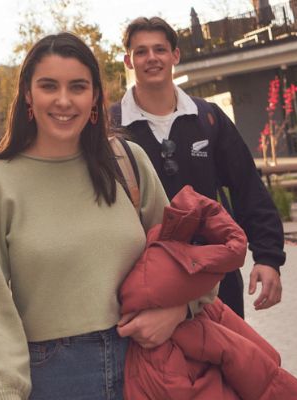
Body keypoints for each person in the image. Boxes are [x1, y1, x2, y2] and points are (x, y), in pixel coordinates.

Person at [0, 33, 211, 400]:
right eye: (48, 86)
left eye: (77, 87)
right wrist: (4, 392)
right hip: (51, 378)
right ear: (28, 94)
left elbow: (190, 255)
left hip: (148, 366)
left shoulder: (128, 162)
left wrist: (179, 310)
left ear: (94, 97)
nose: (63, 100)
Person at [112, 17, 285, 317]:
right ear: (128, 60)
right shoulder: (111, 126)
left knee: (228, 361)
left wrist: (268, 258)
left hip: (215, 273)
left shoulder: (209, 118)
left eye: (160, 50)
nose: (151, 58)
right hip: (145, 280)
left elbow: (248, 187)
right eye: (141, 52)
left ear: (175, 55)